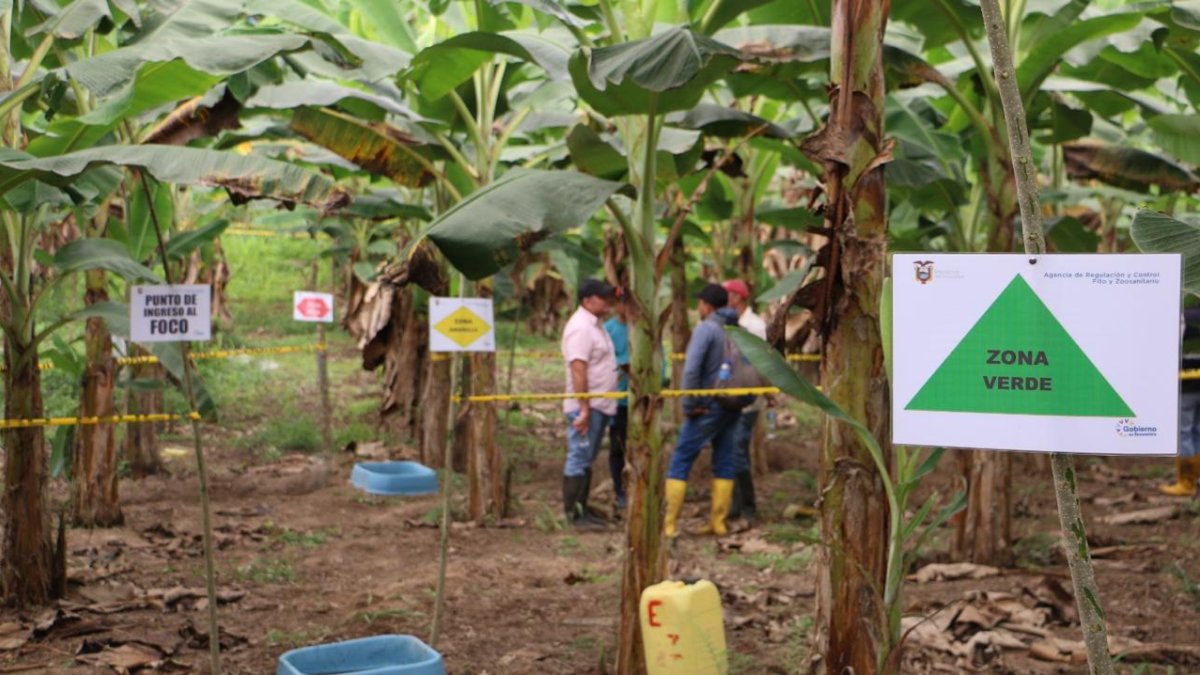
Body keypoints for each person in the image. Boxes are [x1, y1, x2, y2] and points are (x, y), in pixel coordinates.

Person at [664, 283, 743, 538]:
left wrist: (689, 404)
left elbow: (690, 370)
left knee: (681, 459)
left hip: (706, 407)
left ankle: (669, 524)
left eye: (699, 304)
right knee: (724, 460)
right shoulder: (737, 329)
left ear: (707, 306)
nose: (698, 308)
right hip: (732, 404)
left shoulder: (706, 328)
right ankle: (718, 523)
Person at [561, 279, 620, 530]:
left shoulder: (596, 325)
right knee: (579, 456)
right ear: (587, 301)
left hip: (600, 405)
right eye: (602, 298)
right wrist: (583, 408)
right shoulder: (581, 328)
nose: (607, 303)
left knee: (587, 458)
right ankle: (574, 516)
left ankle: (582, 510)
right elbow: (578, 369)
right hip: (588, 406)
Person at [722, 279, 766, 524]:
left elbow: (760, 362)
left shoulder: (754, 326)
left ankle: (748, 507)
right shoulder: (725, 323)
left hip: (748, 399)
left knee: (738, 449)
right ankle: (736, 505)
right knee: (735, 450)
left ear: (736, 297)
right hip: (729, 398)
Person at [1162, 308, 1200, 496]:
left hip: (1186, 382)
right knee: (1198, 431)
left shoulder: (1184, 317)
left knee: (1185, 432)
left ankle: (1186, 483)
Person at [604, 289, 630, 511]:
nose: (624, 307)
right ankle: (620, 490)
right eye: (621, 303)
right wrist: (625, 363)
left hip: (642, 399)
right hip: (618, 399)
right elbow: (603, 359)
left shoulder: (642, 327)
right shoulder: (609, 330)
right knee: (617, 447)